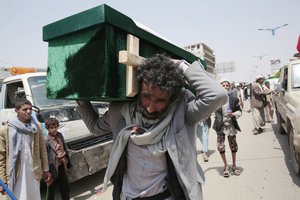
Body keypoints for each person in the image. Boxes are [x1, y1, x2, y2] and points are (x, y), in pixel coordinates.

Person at [76, 54, 227, 200]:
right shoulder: (120, 111)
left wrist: (180, 64)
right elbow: (95, 127)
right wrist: (79, 96)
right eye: (146, 96)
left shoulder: (183, 110)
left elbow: (217, 95)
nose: (150, 108)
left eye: (160, 100)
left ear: (171, 99)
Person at [0, 99, 52, 200]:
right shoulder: (5, 130)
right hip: (15, 174)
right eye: (25, 109)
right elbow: (1, 156)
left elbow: (43, 150)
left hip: (33, 172)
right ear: (16, 111)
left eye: (30, 109)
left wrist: (46, 170)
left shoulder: (36, 127)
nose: (28, 111)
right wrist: (2, 180)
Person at [212, 79, 242, 178]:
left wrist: (233, 114)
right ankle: (225, 166)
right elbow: (209, 108)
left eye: (227, 85)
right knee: (220, 146)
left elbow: (239, 111)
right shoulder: (216, 99)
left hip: (231, 126)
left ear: (229, 87)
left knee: (233, 146)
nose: (225, 87)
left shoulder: (233, 98)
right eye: (223, 85)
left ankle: (234, 165)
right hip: (220, 126)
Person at [44, 117, 72, 200]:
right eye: (51, 128)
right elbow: (45, 156)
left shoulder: (60, 135)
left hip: (62, 165)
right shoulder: (46, 140)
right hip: (52, 167)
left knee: (65, 187)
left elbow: (64, 147)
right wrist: (46, 171)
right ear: (47, 128)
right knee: (51, 189)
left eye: (55, 127)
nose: (54, 129)